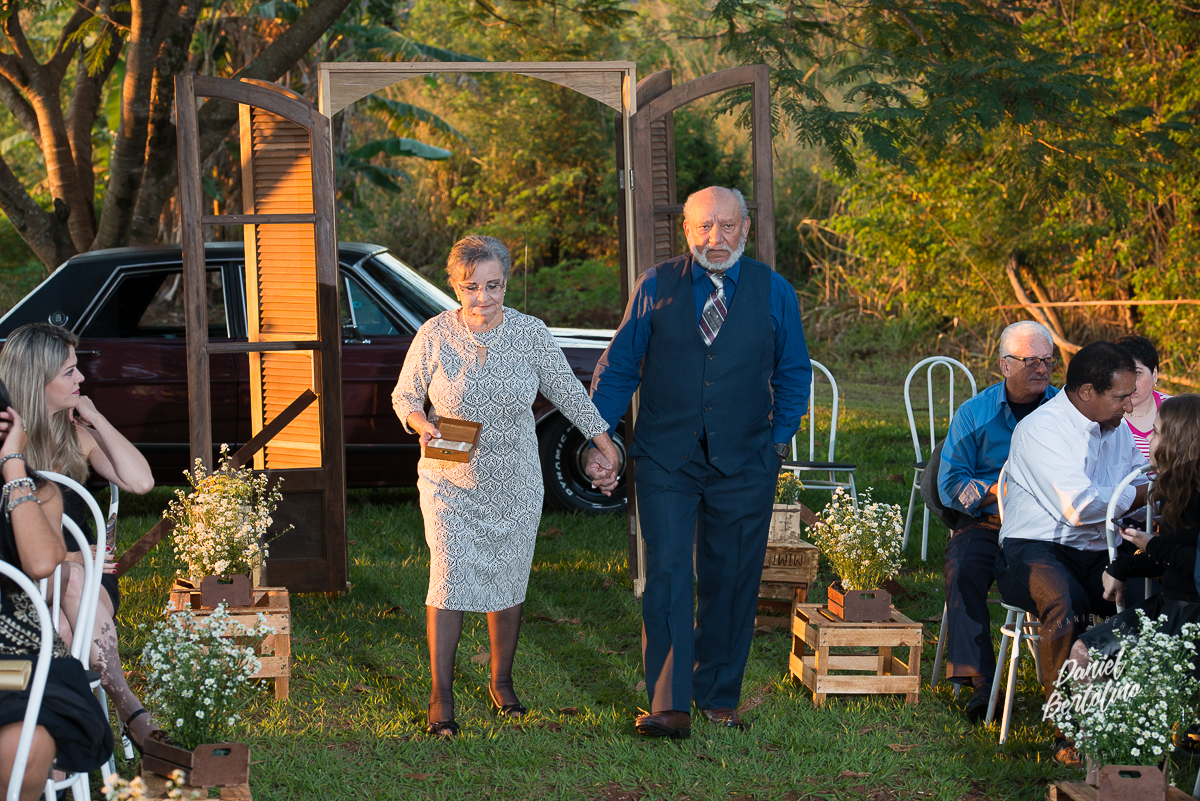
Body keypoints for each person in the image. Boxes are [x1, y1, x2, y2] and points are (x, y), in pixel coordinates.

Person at [586, 186, 811, 738]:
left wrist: (778, 441)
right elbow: (619, 367)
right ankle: (669, 704)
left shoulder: (775, 291)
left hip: (747, 459)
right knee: (666, 572)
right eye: (704, 227)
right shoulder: (655, 285)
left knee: (731, 577)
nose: (716, 238)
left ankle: (717, 695)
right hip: (667, 457)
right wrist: (599, 437)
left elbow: (793, 372)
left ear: (745, 229)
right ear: (686, 230)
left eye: (727, 226)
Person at [392, 235, 620, 737]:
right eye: (471, 287)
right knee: (448, 576)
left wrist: (604, 444)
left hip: (516, 477)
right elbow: (404, 395)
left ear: (506, 282)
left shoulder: (531, 333)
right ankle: (441, 695)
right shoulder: (434, 333)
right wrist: (419, 422)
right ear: (455, 286)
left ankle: (502, 683)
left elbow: (568, 393)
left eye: (493, 286)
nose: (484, 297)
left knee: (509, 578)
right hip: (449, 476)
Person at [0, 323, 160, 751]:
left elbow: (141, 482)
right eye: (69, 371)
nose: (81, 377)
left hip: (86, 578)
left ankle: (55, 752)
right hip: (20, 578)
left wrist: (96, 418)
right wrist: (69, 558)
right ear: (37, 379)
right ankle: (125, 714)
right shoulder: (4, 447)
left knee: (67, 617)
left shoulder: (74, 435)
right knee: (62, 626)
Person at [994, 340, 1149, 765]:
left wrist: (1150, 498)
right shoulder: (1043, 429)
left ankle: (1129, 712)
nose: (1129, 407)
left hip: (1100, 548)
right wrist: (1139, 496)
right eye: (1121, 397)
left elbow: (1138, 483)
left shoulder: (1116, 429)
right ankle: (1069, 729)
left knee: (1151, 596)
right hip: (1034, 548)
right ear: (1086, 392)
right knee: (1065, 603)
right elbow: (1079, 508)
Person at [936, 320, 1059, 721]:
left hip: (1047, 525)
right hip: (988, 522)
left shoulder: (1064, 411)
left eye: (1048, 361)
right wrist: (1000, 489)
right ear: (1005, 365)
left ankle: (1066, 687)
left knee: (1067, 580)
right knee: (962, 569)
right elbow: (951, 484)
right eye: (1030, 361)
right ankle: (982, 684)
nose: (1041, 368)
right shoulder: (975, 413)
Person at [0, 399, 113, 800]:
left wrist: (13, 465)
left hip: (17, 658)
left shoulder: (39, 493)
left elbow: (43, 565)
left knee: (25, 745)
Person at [1069, 394, 1200, 670]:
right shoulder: (1178, 489)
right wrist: (1121, 566)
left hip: (1191, 616)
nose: (1149, 439)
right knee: (1083, 655)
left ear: (1179, 442)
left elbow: (1193, 561)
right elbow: (1170, 559)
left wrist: (1151, 545)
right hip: (1166, 607)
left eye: (1156, 432)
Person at [1114, 334, 1171, 461]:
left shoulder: (1177, 410)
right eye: (1121, 374)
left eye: (1137, 373)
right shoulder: (1102, 417)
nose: (1129, 383)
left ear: (1154, 374)